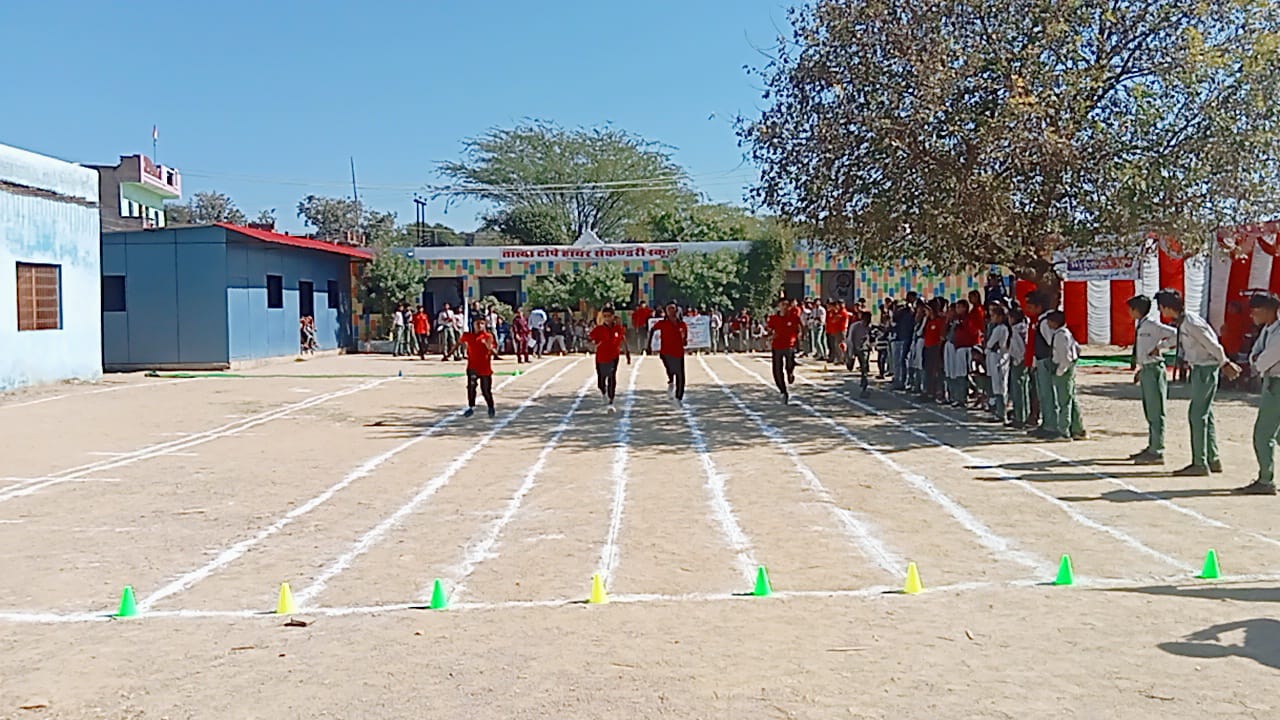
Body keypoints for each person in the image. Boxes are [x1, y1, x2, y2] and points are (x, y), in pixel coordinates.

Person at [1157, 289, 1241, 476]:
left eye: (1162, 308)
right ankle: (1212, 458)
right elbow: (1177, 341)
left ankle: (1199, 462)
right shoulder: (1184, 323)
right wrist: (1160, 347)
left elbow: (1212, 343)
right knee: (1206, 413)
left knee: (1196, 415)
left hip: (1205, 369)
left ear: (1167, 307)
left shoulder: (1192, 323)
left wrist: (1225, 363)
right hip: (1199, 369)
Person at [1238, 293, 1280, 495]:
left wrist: (1257, 359)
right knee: (1275, 433)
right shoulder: (1267, 330)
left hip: (1277, 383)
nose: (1253, 314)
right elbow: (1254, 355)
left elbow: (1263, 360)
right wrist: (1256, 359)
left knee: (1263, 434)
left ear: (1269, 310)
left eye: (1256, 309)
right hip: (1271, 381)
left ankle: (1266, 480)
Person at [1128, 295, 1177, 465]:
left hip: (1155, 369)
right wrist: (1140, 369)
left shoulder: (1152, 325)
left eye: (1131, 309)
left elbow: (1175, 335)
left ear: (1137, 310)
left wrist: (1160, 347)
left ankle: (1157, 450)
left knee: (1157, 410)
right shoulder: (1142, 325)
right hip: (1147, 369)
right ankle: (1152, 445)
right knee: (1149, 410)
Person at [445, 316, 498, 418]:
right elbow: (458, 343)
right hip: (472, 366)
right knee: (471, 387)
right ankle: (471, 407)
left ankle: (490, 407)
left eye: (482, 323)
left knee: (486, 390)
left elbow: (495, 352)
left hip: (485, 368)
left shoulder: (488, 336)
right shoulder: (468, 336)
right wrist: (449, 354)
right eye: (477, 323)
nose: (479, 326)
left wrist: (489, 347)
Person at [1024, 292, 1059, 438]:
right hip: (1038, 360)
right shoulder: (1038, 320)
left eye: (1031, 306)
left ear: (1039, 307)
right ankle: (1045, 423)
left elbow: (1052, 342)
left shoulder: (1045, 322)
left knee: (1048, 394)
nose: (1028, 309)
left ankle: (1051, 425)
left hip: (1045, 361)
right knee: (1042, 394)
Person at [1044, 311, 1082, 440]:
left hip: (1063, 370)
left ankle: (1063, 431)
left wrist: (1060, 371)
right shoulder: (1064, 333)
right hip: (1065, 368)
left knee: (1064, 401)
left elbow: (1066, 357)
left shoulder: (1061, 336)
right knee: (1070, 398)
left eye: (1049, 321)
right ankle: (1077, 428)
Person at [590, 307, 631, 412]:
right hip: (601, 357)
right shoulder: (599, 329)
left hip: (614, 357)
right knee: (601, 381)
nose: (607, 318)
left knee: (612, 376)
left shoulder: (618, 328)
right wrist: (594, 344)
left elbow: (623, 340)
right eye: (605, 316)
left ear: (613, 316)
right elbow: (591, 341)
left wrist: (627, 353)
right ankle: (604, 393)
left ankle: (611, 401)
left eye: (609, 316)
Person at [648, 303, 689, 405]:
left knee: (680, 375)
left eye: (673, 309)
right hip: (666, 352)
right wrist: (649, 345)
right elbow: (652, 329)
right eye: (669, 309)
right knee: (671, 371)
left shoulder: (682, 325)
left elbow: (685, 341)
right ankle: (670, 381)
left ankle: (679, 397)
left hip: (678, 353)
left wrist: (684, 339)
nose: (671, 311)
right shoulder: (663, 324)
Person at [766, 298, 803, 403]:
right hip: (777, 346)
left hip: (789, 345)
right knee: (777, 370)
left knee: (789, 364)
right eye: (783, 305)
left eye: (787, 305)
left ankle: (790, 373)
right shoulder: (774, 318)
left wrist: (799, 336)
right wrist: (770, 336)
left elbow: (800, 328)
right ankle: (783, 391)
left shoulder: (794, 317)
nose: (785, 307)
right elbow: (769, 330)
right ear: (779, 306)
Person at [985, 303, 1012, 424]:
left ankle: (1001, 412)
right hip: (1000, 356)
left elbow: (991, 343)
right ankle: (1000, 411)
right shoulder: (1004, 328)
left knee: (999, 385)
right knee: (1000, 385)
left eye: (994, 316)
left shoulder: (1000, 329)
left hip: (997, 356)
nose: (992, 318)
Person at [1007, 306, 1030, 428]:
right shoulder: (1023, 328)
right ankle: (1022, 414)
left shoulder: (1017, 331)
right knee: (1023, 388)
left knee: (1018, 390)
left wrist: (1017, 360)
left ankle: (1020, 416)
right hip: (1022, 360)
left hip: (1018, 361)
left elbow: (1019, 347)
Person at [891, 295, 917, 390]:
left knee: (905, 360)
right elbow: (895, 318)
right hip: (900, 336)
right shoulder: (902, 311)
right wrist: (896, 308)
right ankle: (899, 380)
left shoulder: (913, 310)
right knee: (898, 361)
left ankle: (905, 381)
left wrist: (910, 307)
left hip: (909, 337)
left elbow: (914, 316)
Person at [846, 310, 873, 397]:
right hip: (855, 348)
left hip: (865, 349)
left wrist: (871, 345)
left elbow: (873, 338)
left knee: (864, 365)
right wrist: (851, 352)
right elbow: (850, 339)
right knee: (853, 364)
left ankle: (864, 383)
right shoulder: (855, 326)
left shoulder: (870, 327)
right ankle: (863, 378)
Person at [826, 300, 851, 365]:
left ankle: (843, 359)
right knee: (837, 345)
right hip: (836, 331)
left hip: (841, 330)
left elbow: (834, 320)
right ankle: (840, 359)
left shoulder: (843, 312)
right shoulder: (836, 312)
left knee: (841, 345)